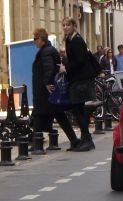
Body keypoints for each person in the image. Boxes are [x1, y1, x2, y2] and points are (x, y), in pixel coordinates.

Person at [31, 28, 80, 150]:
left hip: (46, 91)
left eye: (35, 39)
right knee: (57, 115)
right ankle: (73, 140)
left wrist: (47, 83)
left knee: (39, 115)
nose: (34, 42)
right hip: (47, 91)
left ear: (41, 39)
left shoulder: (46, 52)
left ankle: (37, 145)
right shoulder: (47, 50)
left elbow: (49, 68)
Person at [60, 17, 97, 151]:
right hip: (77, 79)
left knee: (77, 109)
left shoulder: (76, 40)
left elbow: (80, 60)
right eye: (63, 25)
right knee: (78, 110)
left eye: (68, 25)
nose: (65, 27)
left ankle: (87, 140)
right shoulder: (70, 40)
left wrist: (66, 68)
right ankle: (86, 139)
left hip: (81, 80)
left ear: (74, 26)